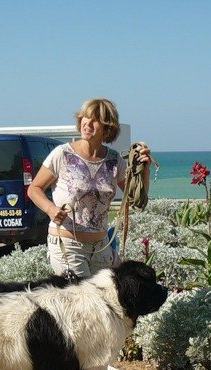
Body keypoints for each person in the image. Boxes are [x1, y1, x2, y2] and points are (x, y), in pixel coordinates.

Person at [28, 97, 152, 279]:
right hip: (68, 246)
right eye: (85, 117)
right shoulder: (62, 154)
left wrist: (145, 170)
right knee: (82, 304)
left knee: (102, 303)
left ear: (107, 128)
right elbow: (34, 188)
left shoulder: (114, 160)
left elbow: (136, 199)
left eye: (95, 120)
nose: (87, 123)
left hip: (102, 249)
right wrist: (50, 209)